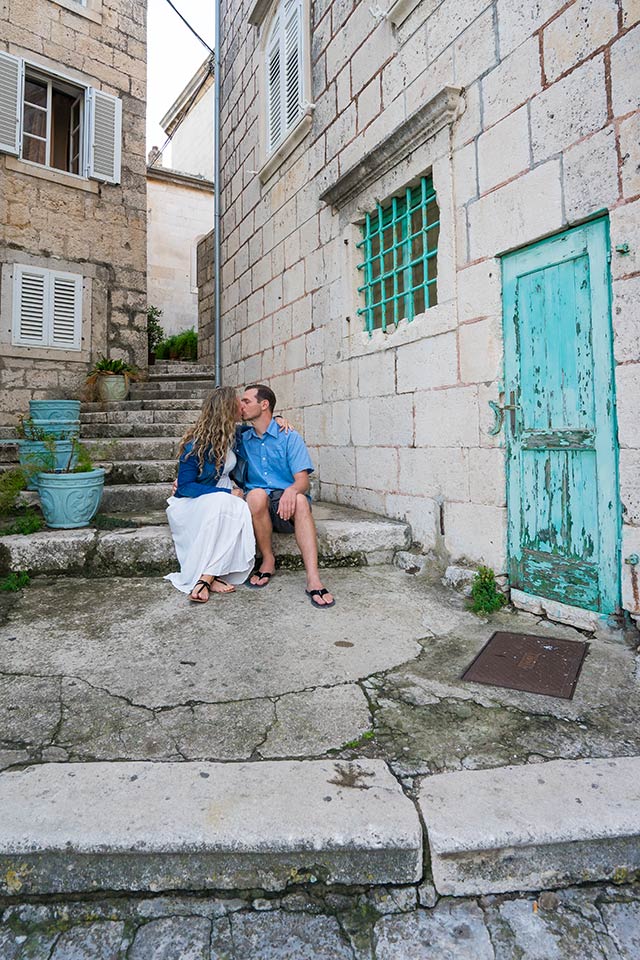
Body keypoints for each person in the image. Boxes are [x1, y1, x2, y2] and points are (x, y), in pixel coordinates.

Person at [238, 384, 335, 609]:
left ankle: (313, 579)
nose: (241, 406)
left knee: (300, 499)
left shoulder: (289, 436)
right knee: (256, 495)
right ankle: (268, 559)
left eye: (246, 401)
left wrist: (291, 490)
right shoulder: (241, 437)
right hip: (257, 509)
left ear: (264, 405)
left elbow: (303, 480)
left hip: (286, 507)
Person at [165, 387, 256, 603]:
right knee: (229, 504)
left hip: (221, 499)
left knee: (232, 506)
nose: (242, 407)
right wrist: (226, 492)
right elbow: (186, 486)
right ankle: (207, 578)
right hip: (192, 503)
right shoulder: (195, 444)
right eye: (238, 403)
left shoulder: (236, 435)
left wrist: (279, 420)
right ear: (226, 408)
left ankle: (208, 576)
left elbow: (264, 425)